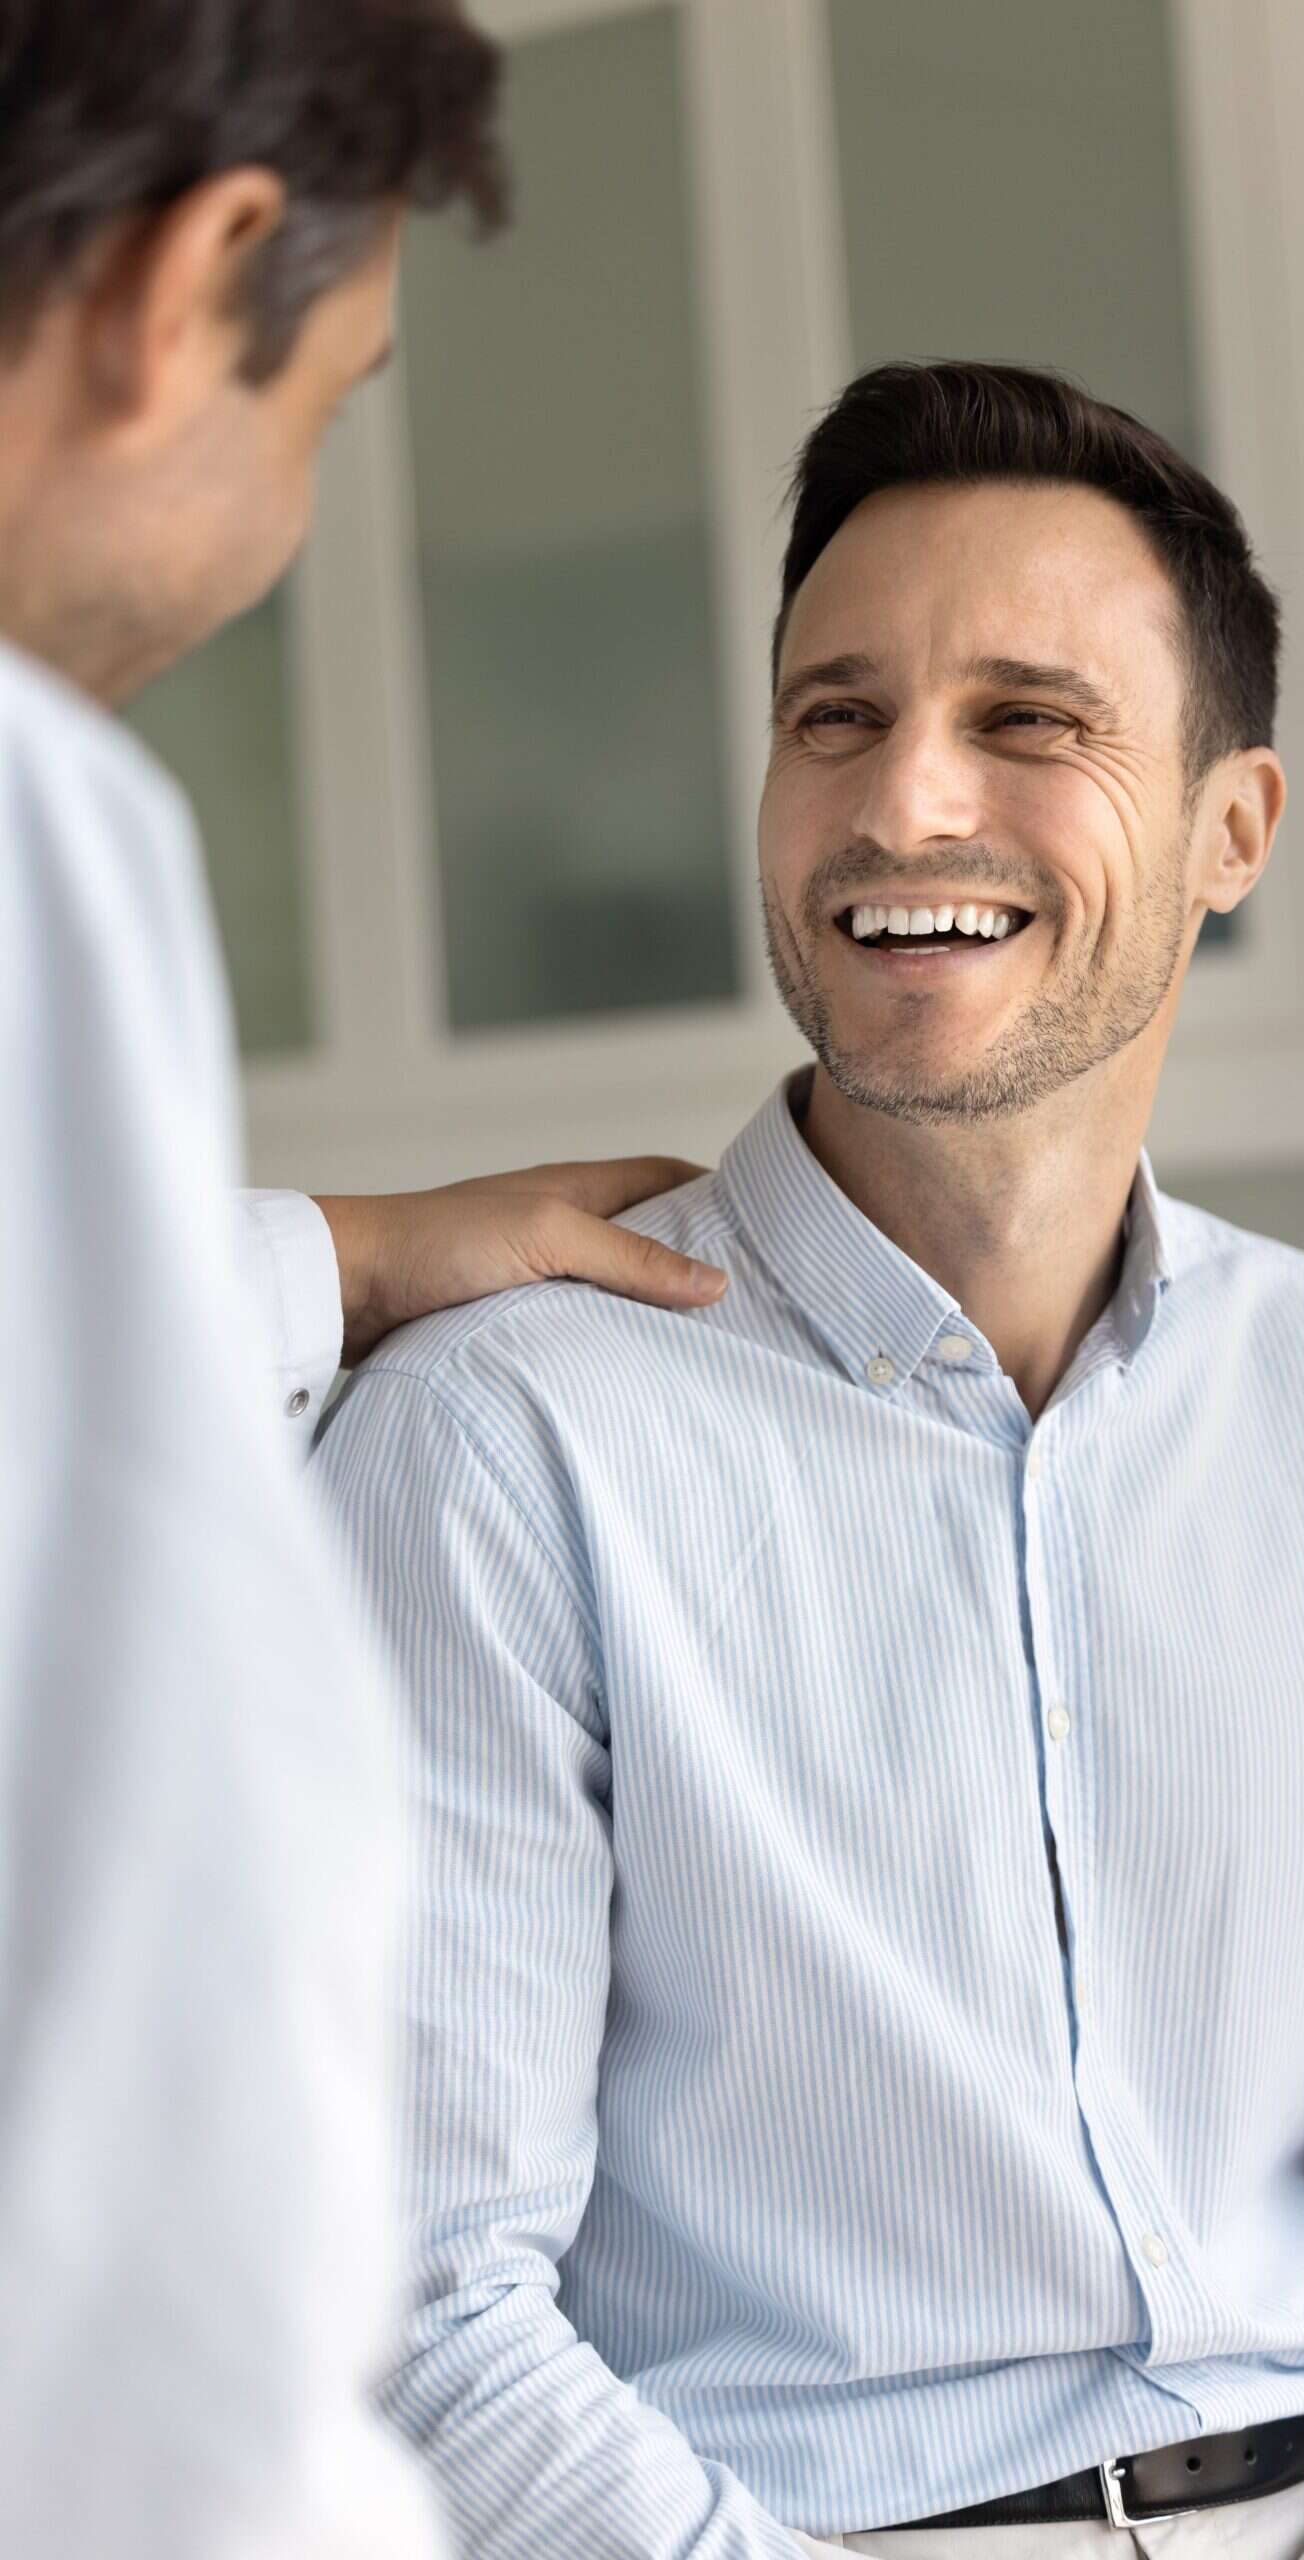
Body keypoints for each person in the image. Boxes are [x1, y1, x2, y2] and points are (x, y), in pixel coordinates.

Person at [318, 362, 1304, 2560]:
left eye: (1029, 720)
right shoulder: (499, 1439)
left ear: (1232, 825)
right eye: (833, 715)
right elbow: (413, 2305)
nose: (900, 804)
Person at [0, 3, 716, 2550]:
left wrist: (353, 1254)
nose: (292, 511)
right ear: (188, 284)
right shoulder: (33, 827)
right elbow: (142, 2008)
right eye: (326, 408)